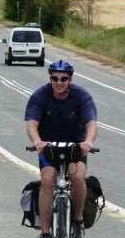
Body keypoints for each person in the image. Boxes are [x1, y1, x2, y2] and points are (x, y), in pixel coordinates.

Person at [24, 59, 97, 238]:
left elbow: (91, 124)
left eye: (63, 79)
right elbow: (32, 124)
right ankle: (45, 232)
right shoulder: (40, 95)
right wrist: (37, 141)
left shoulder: (82, 96)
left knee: (78, 176)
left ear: (70, 80)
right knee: (47, 180)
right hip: (48, 146)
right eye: (54, 78)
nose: (59, 83)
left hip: (75, 146)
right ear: (50, 79)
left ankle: (78, 220)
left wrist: (88, 141)